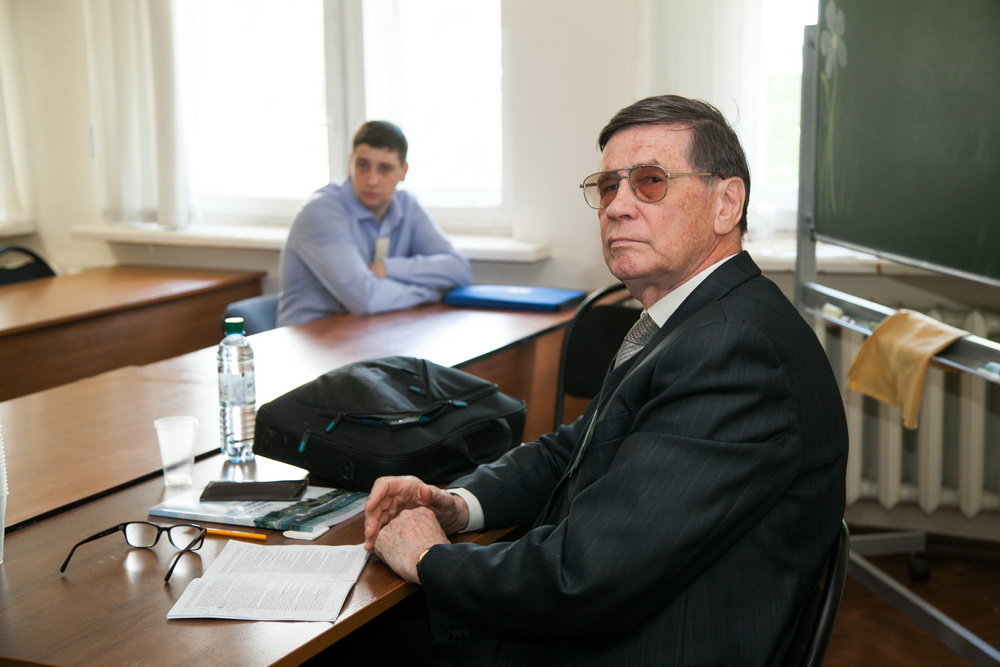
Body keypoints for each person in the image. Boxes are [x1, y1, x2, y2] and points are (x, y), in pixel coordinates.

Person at [361, 95, 848, 665]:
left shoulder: (733, 348)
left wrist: (428, 558)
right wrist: (457, 505)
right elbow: (574, 448)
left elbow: (581, 577)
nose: (617, 207)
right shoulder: (693, 318)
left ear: (726, 203)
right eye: (608, 186)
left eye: (649, 182)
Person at [277, 120, 472, 326]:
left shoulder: (407, 205)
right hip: (310, 338)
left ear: (403, 171)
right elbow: (366, 299)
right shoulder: (322, 211)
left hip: (368, 330)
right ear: (350, 164)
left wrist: (388, 268)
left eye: (384, 169)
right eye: (362, 165)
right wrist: (432, 293)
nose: (371, 180)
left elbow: (459, 270)